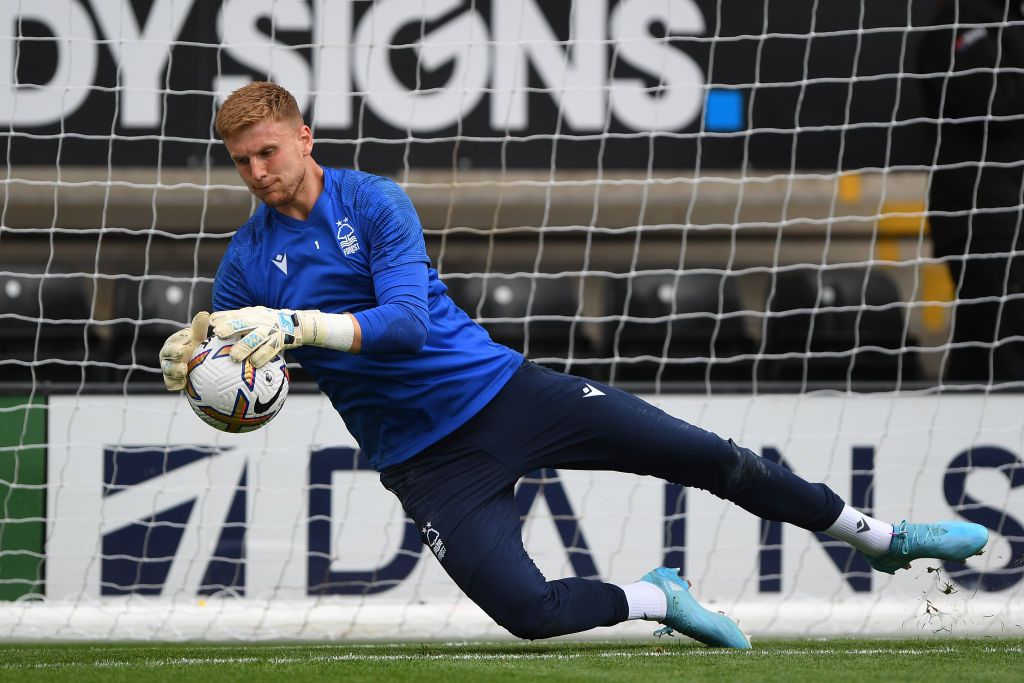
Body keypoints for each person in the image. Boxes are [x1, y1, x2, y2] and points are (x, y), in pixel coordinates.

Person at [160, 82, 988, 648]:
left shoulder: (374, 201)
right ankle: (658, 597)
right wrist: (205, 365)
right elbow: (256, 374)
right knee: (528, 612)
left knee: (710, 456)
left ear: (305, 137)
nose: (259, 174)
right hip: (423, 461)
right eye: (242, 161)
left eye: (269, 151)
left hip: (507, 394)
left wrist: (297, 325)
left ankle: (879, 535)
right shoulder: (245, 262)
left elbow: (407, 326)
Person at [917, 0, 1024, 383]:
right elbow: (986, 98)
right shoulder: (962, 17)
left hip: (1009, 212)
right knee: (1002, 344)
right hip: (983, 216)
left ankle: (962, 434)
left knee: (982, 350)